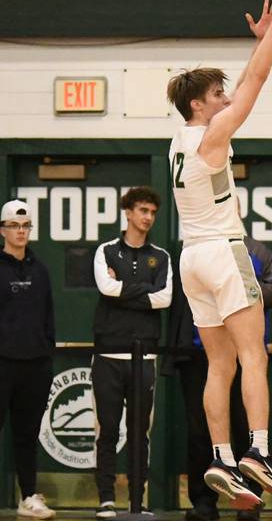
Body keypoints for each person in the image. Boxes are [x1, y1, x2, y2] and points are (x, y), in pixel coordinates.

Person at [167, 0, 272, 508]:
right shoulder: (213, 137)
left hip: (191, 259)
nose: (225, 100)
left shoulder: (178, 141)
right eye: (216, 95)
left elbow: (243, 81)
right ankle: (259, 451)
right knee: (254, 356)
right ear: (197, 104)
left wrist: (260, 38)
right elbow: (257, 82)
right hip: (225, 252)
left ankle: (223, 460)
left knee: (219, 367)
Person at [163, 223, 272, 521]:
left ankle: (250, 501)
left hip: (244, 353)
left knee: (248, 426)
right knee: (200, 433)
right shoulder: (193, 251)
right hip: (200, 352)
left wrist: (239, 289)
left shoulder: (255, 251)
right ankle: (204, 502)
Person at [92, 186, 172, 518]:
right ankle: (106, 499)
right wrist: (145, 291)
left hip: (145, 357)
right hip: (108, 356)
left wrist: (123, 289)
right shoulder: (106, 251)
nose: (147, 217)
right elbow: (104, 287)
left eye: (152, 212)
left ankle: (136, 501)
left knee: (141, 433)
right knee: (107, 430)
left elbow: (165, 298)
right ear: (127, 212)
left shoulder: (162, 256)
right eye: (142, 210)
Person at [0, 200, 55, 519]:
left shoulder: (41, 270)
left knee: (26, 435)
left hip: (35, 366)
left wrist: (45, 355)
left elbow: (48, 318)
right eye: (14, 226)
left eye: (25, 226)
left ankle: (29, 498)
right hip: (2, 363)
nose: (20, 232)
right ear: (3, 230)